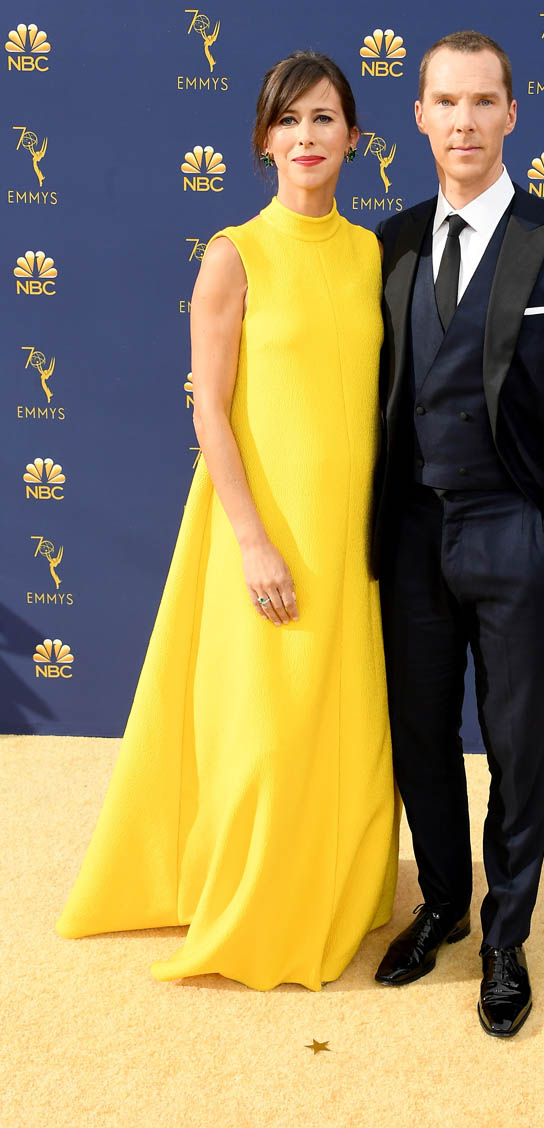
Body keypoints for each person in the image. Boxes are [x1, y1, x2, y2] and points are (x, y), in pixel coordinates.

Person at [56, 52, 399, 991]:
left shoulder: (373, 255)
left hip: (352, 538)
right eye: (288, 120)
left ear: (354, 137)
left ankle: (339, 891)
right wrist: (251, 541)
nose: (307, 136)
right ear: (263, 141)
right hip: (265, 528)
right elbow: (210, 408)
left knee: (345, 727)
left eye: (324, 118)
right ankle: (253, 905)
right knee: (267, 734)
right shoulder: (233, 253)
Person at [372, 31, 544, 1036]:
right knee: (419, 735)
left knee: (516, 745)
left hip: (515, 532)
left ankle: (503, 938)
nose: (465, 121)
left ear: (512, 113)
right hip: (410, 535)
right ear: (419, 117)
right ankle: (442, 901)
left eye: (484, 101)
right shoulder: (389, 243)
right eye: (446, 102)